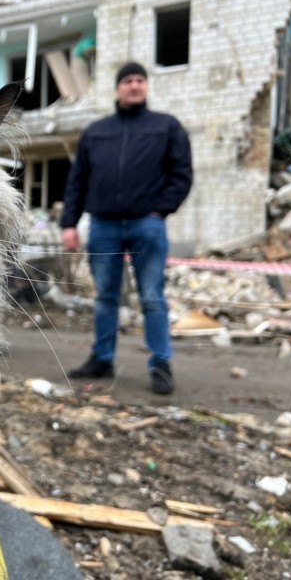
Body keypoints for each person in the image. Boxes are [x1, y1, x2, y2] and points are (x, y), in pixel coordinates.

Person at [60, 62, 193, 395]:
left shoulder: (166, 127)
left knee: (152, 297)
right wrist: (69, 224)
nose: (134, 86)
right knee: (106, 296)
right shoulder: (96, 131)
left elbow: (182, 174)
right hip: (103, 225)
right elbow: (78, 181)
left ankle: (161, 364)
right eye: (128, 81)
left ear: (146, 87)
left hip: (146, 225)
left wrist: (159, 211)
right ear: (118, 88)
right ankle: (102, 359)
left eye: (140, 81)